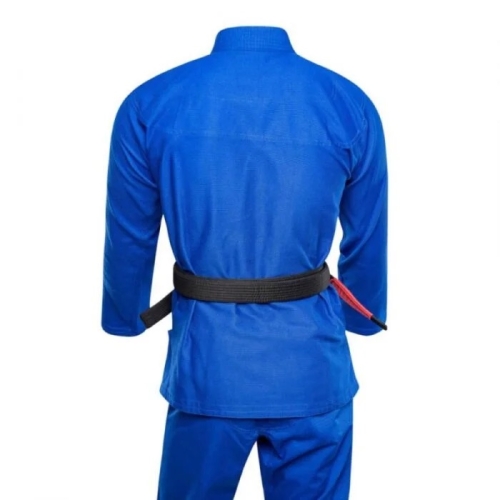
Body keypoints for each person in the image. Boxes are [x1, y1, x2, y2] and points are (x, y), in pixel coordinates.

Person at [101, 25, 388, 499]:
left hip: (209, 366)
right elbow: (368, 234)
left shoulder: (150, 104)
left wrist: (124, 315)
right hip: (311, 365)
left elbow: (130, 233)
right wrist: (362, 316)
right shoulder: (347, 103)